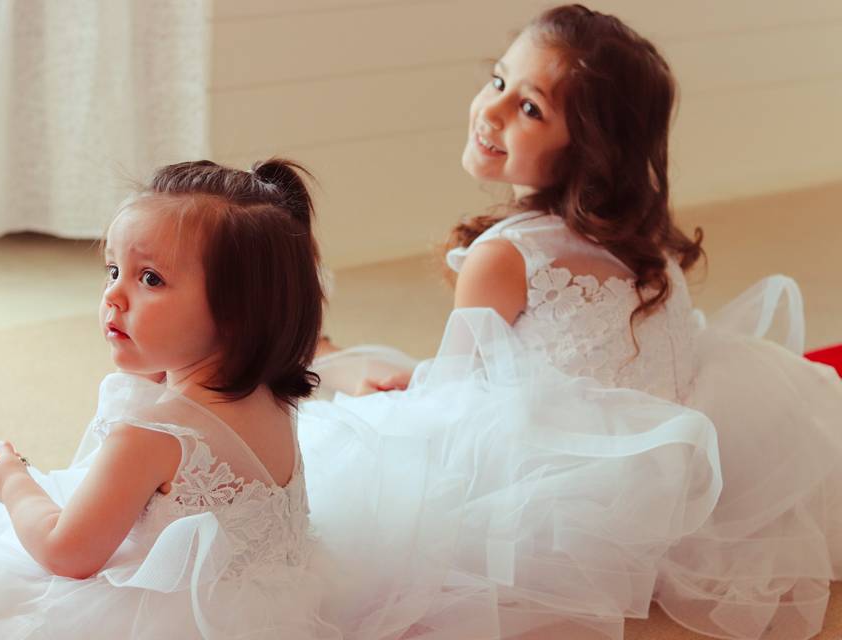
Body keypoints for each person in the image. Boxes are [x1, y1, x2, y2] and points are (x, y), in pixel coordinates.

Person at [304, 4, 842, 639]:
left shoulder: (503, 256)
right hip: (685, 455)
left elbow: (449, 398)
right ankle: (329, 348)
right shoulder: (637, 229)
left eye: (530, 108)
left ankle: (322, 351)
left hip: (577, 495)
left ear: (588, 149)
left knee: (363, 427)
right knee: (391, 375)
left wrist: (409, 393)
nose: (493, 111)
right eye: (499, 81)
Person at [0, 159, 342, 639]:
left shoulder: (153, 435)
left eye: (150, 279)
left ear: (238, 313)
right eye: (114, 270)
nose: (113, 297)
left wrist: (13, 481)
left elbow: (66, 552)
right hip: (277, 607)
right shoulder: (274, 393)